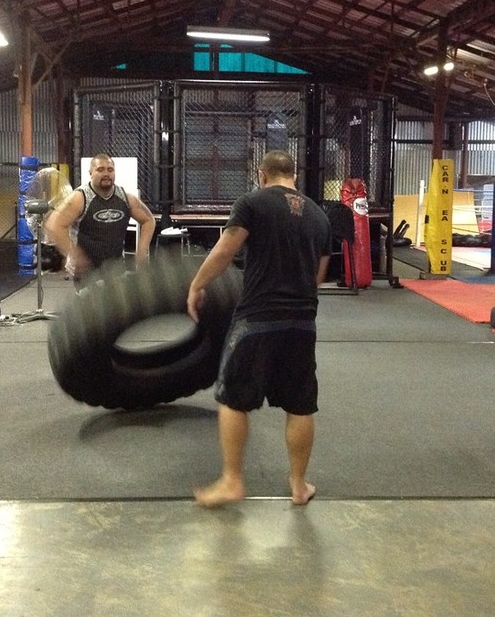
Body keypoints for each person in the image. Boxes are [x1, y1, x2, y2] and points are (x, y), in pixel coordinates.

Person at [186, 150, 331, 508]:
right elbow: (319, 275)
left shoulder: (252, 202)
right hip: (302, 322)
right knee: (300, 405)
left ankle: (232, 481)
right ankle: (299, 485)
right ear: (293, 175)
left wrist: (197, 285)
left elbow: (225, 250)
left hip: (257, 318)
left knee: (233, 400)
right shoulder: (319, 215)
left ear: (262, 175)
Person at [45, 153, 155, 284]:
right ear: (91, 173)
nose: (106, 174)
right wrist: (73, 254)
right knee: (91, 304)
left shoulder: (125, 198)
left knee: (117, 304)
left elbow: (149, 220)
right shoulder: (80, 198)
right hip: (88, 274)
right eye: (100, 169)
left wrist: (141, 252)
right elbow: (54, 224)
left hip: (116, 270)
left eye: (110, 169)